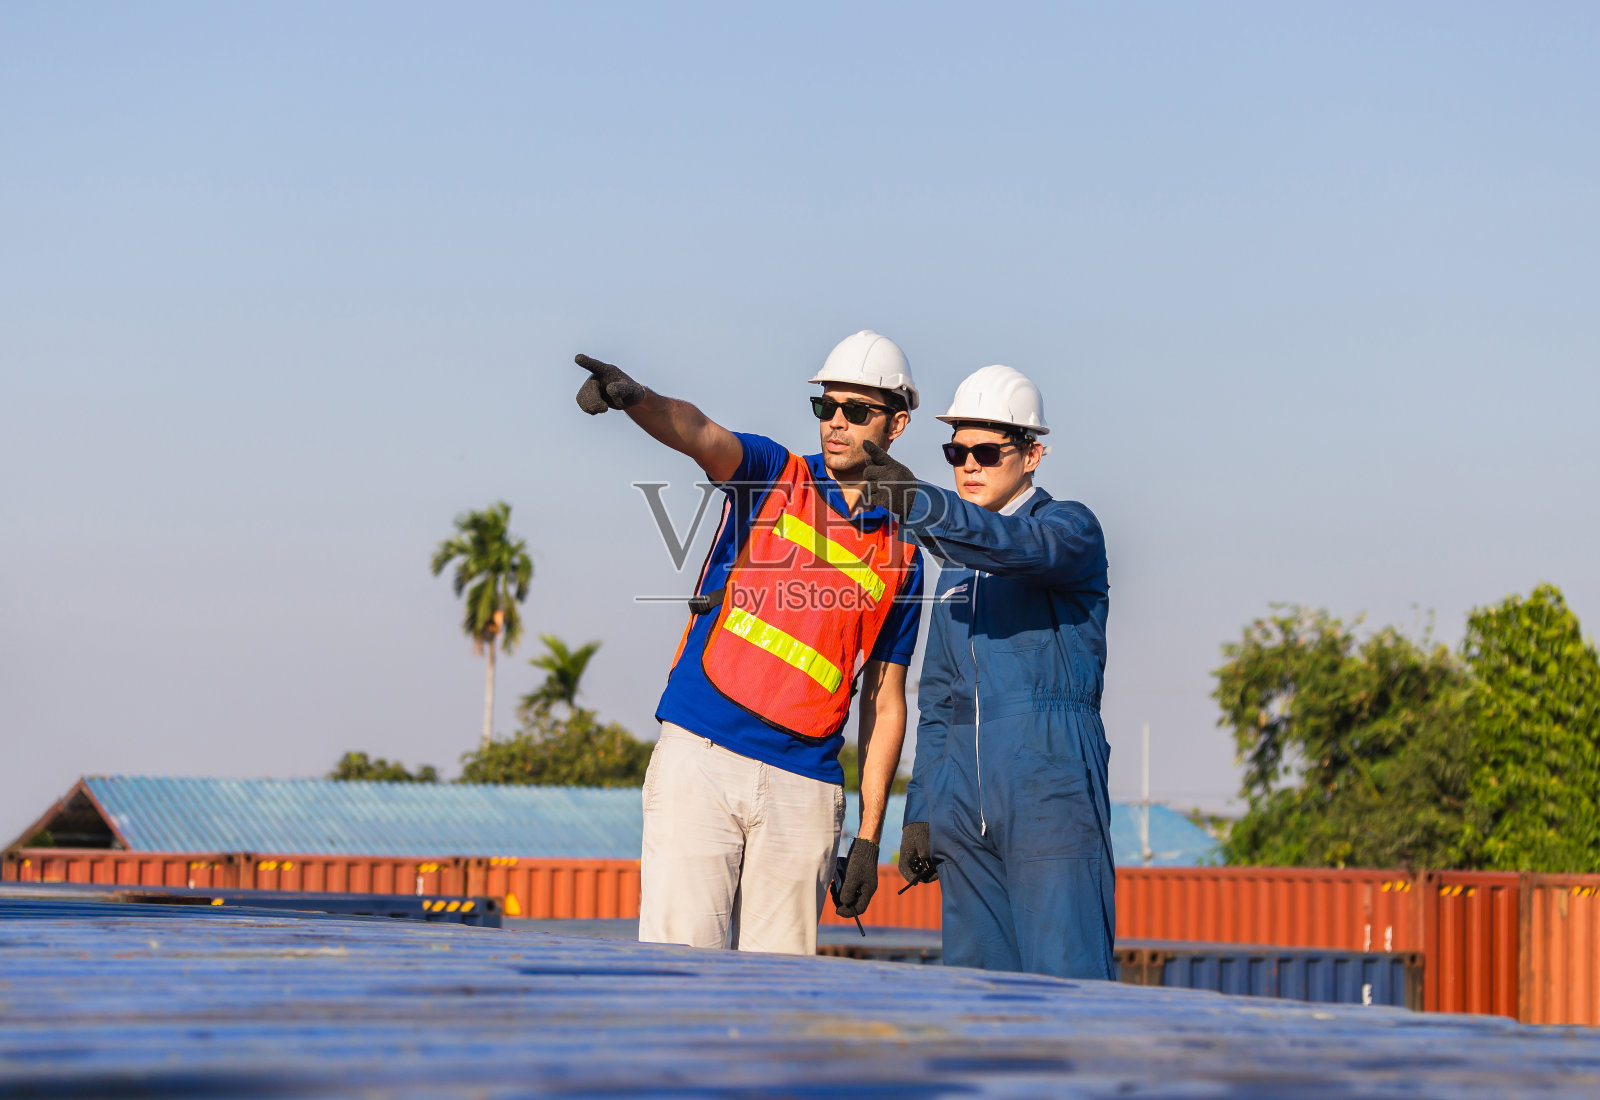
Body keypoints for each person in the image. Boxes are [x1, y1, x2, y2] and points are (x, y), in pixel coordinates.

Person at [572, 331, 926, 955]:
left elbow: (886, 699)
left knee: (781, 1008)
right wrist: (638, 400)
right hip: (701, 757)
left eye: (856, 411)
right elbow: (699, 432)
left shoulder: (903, 552)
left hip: (806, 786)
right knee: (678, 975)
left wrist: (870, 836)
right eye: (826, 407)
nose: (835, 423)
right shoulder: (772, 473)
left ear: (896, 423)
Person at [861, 364, 1114, 979]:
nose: (968, 464)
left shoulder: (1070, 528)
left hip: (1048, 776)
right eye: (956, 451)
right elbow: (939, 699)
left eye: (986, 451)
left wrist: (921, 504)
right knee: (979, 990)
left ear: (1032, 455)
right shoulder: (953, 570)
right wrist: (922, 807)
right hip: (961, 794)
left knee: (1068, 979)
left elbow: (1021, 549)